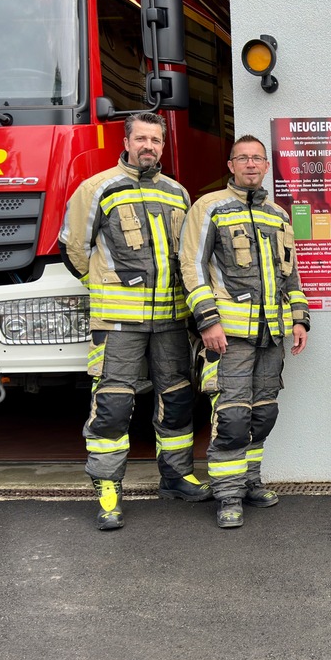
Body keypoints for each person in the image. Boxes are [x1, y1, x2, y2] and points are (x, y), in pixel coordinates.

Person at [59, 112, 211, 531]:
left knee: (178, 399)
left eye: (156, 140)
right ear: (126, 142)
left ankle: (177, 476)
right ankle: (108, 486)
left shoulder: (177, 193)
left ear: (163, 146)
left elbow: (188, 255)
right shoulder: (97, 188)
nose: (149, 146)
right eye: (141, 138)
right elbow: (73, 248)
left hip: (171, 319)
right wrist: (103, 286)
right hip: (118, 321)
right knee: (113, 403)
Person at [179, 135, 311, 529]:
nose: (251, 164)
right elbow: (192, 266)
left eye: (258, 158)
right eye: (243, 158)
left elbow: (292, 273)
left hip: (272, 335)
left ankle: (250, 482)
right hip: (228, 337)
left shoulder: (278, 215)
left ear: (266, 166)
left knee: (263, 414)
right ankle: (228, 494)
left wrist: (300, 319)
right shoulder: (209, 208)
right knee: (232, 417)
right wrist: (208, 320)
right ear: (231, 164)